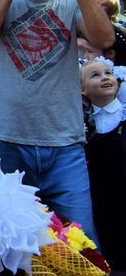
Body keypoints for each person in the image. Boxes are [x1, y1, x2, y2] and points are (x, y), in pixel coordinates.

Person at [0, 0, 114, 243]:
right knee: (3, 244)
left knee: (83, 245)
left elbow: (104, 39)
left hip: (64, 145)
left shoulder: (71, 2)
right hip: (7, 140)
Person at [80, 59, 125, 270]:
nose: (105, 77)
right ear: (83, 90)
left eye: (108, 73)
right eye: (95, 75)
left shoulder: (123, 115)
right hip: (100, 194)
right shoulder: (84, 123)